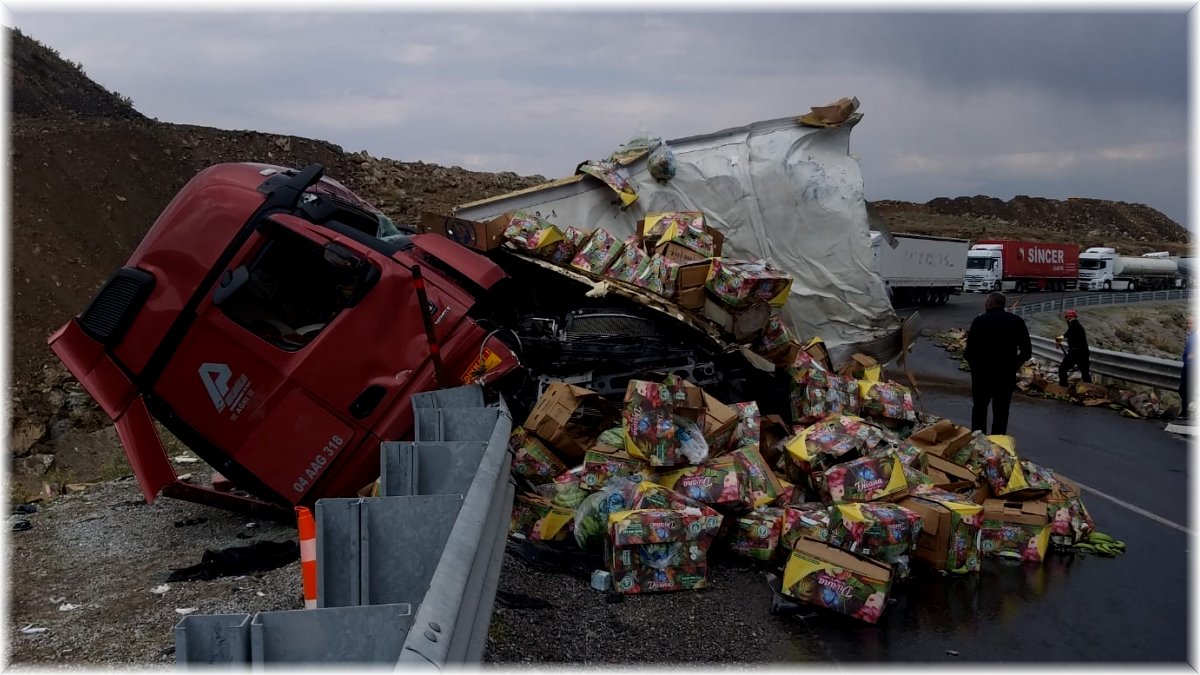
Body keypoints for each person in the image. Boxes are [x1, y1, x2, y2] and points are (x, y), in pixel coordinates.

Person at [964, 292, 1032, 435]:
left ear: (990, 303)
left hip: (982, 375)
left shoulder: (980, 321)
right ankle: (998, 444)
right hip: (1005, 375)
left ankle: (978, 442)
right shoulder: (1016, 321)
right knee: (1001, 412)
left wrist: (976, 368)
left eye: (987, 301)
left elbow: (969, 352)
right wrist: (1014, 366)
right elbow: (1027, 351)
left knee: (979, 410)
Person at [1055, 309, 1092, 387]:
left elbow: (1067, 334)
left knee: (1062, 369)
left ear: (1069, 317)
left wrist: (1058, 339)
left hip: (1075, 353)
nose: (1066, 320)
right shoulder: (1076, 326)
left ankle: (1063, 387)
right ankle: (1089, 389)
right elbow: (1067, 334)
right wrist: (1058, 339)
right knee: (1085, 373)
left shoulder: (1074, 326)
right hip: (1084, 352)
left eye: (1066, 318)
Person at [1181, 317, 1195, 419]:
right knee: (1183, 390)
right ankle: (1185, 413)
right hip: (1187, 365)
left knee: (1185, 390)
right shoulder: (1192, 335)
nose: (1188, 325)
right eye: (1188, 323)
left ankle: (1186, 414)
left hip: (1192, 366)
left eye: (1191, 323)